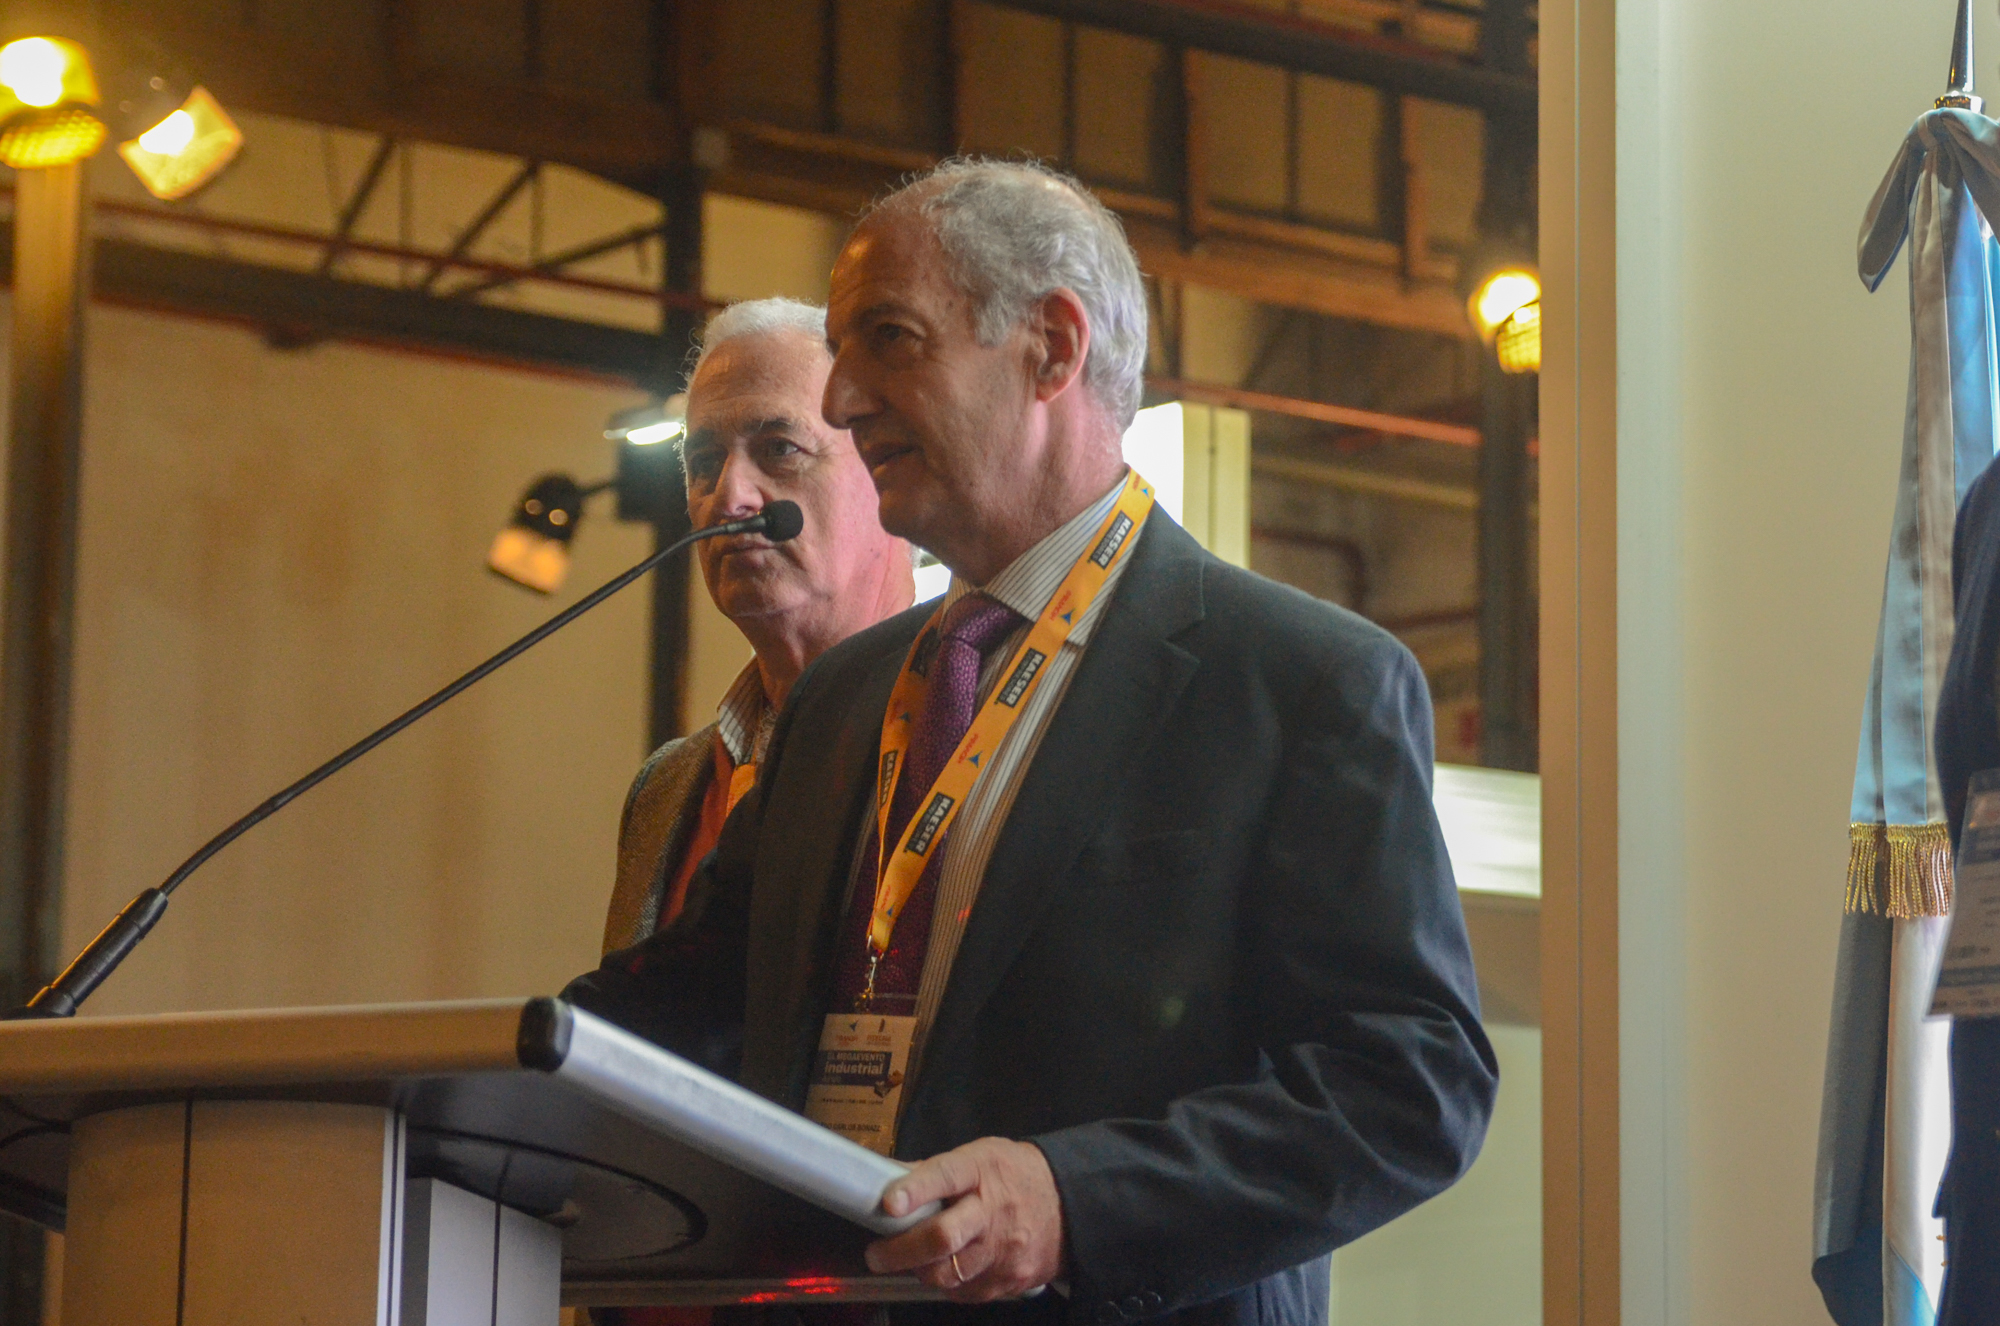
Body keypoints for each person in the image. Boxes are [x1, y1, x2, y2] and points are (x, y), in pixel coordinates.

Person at [566, 161, 1496, 1326]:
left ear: (1051, 348)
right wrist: (467, 1082)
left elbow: (1408, 1083)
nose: (843, 400)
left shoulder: (1298, 682)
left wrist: (1074, 1199)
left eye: (887, 340)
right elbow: (691, 997)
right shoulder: (843, 699)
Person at [603, 297, 915, 953]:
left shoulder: (969, 736)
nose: (729, 497)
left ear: (889, 469)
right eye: (704, 462)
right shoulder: (664, 790)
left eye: (779, 448)